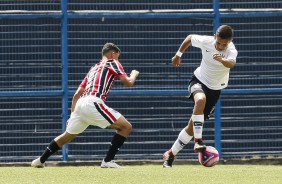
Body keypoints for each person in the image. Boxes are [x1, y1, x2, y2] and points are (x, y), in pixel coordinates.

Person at [31, 43, 139, 168]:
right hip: (93, 102)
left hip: (81, 103)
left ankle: (40, 160)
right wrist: (134, 74)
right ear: (112, 54)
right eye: (118, 56)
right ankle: (108, 161)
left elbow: (77, 94)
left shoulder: (93, 69)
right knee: (126, 127)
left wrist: (72, 116)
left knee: (66, 136)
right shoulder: (112, 62)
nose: (118, 60)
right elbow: (128, 83)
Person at [163, 25, 238, 168]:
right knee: (200, 99)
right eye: (219, 42)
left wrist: (223, 60)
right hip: (198, 80)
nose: (221, 46)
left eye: (224, 44)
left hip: (215, 90)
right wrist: (178, 54)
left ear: (230, 41)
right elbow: (190, 38)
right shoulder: (207, 41)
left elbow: (231, 63)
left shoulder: (231, 49)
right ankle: (198, 141)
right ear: (215, 36)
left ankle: (170, 155)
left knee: (191, 127)